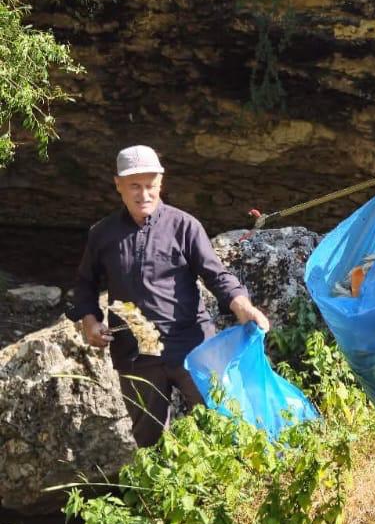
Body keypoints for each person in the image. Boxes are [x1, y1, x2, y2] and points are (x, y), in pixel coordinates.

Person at [73, 145, 270, 447]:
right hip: (135, 355)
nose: (144, 194)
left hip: (192, 348)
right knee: (149, 441)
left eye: (150, 185)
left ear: (161, 183)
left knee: (218, 429)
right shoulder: (102, 234)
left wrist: (243, 306)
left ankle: (226, 493)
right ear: (118, 186)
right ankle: (162, 494)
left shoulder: (184, 226)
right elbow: (85, 285)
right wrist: (90, 320)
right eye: (134, 186)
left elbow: (216, 274)